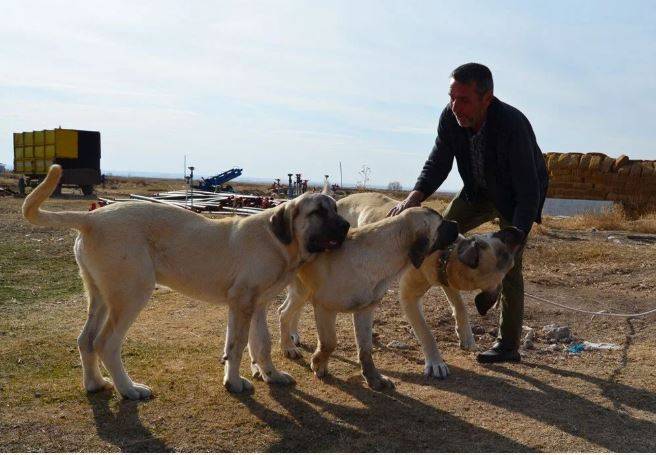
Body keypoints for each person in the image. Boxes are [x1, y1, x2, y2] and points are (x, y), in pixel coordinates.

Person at [388, 63, 548, 363]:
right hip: (476, 191)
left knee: (510, 268)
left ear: (486, 98)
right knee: (441, 232)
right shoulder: (450, 118)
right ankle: (425, 283)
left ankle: (508, 345)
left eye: (463, 100)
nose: (455, 106)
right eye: (452, 97)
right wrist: (414, 196)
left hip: (514, 198)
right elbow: (438, 161)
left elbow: (529, 188)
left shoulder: (513, 125)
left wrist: (518, 235)